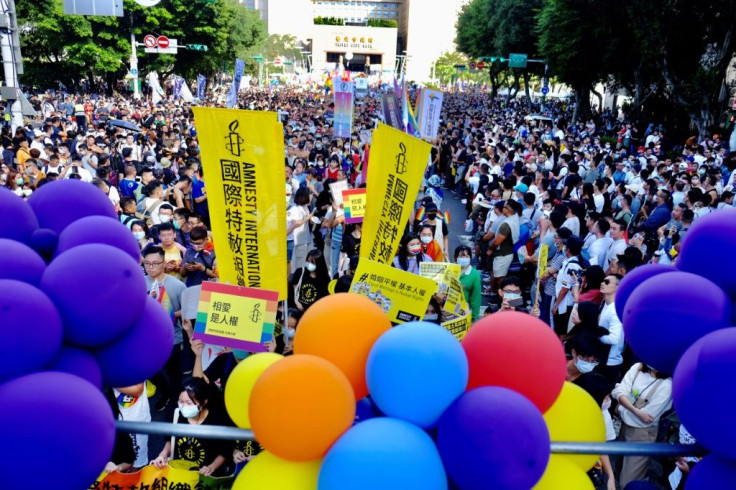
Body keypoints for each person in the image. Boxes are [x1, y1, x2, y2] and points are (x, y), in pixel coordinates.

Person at [152, 378, 233, 476]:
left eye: (189, 403)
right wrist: (162, 455)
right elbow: (170, 440)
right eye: (181, 401)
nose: (184, 406)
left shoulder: (217, 421)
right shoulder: (175, 415)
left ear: (204, 402)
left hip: (205, 475)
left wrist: (211, 467)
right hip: (180, 471)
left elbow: (225, 451)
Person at [612, 363, 673, 487]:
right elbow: (618, 390)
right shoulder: (637, 367)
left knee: (628, 481)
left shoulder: (667, 385)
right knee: (618, 468)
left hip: (642, 434)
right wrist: (636, 411)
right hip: (624, 427)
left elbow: (647, 418)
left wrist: (622, 407)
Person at [143, 246, 187, 412]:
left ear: (163, 263)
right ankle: (166, 392)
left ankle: (176, 402)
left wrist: (169, 314)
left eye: (155, 263)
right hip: (146, 338)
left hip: (172, 337)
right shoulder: (139, 282)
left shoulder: (177, 286)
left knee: (174, 372)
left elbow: (188, 311)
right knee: (149, 370)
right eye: (147, 263)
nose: (150, 267)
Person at [552, 235, 585, 336]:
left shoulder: (572, 265)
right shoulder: (570, 262)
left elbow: (565, 289)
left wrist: (556, 305)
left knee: (561, 332)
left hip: (564, 304)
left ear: (568, 249)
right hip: (563, 301)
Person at [112, 383, 150, 468]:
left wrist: (110, 380)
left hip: (134, 420)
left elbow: (138, 390)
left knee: (135, 464)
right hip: (116, 420)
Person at [597, 274, 625, 384]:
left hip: (609, 363)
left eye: (607, 282)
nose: (602, 283)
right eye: (603, 281)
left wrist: (596, 336)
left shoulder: (614, 311)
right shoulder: (605, 304)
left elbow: (614, 339)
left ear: (617, 287)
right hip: (602, 358)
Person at [287, 187, 314, 273]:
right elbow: (296, 223)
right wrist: (307, 218)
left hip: (307, 238)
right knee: (300, 264)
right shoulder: (295, 209)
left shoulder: (306, 206)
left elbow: (308, 221)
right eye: (309, 195)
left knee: (309, 261)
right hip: (300, 240)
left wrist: (311, 219)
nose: (310, 197)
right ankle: (298, 282)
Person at [455, 245, 481, 321]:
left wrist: (474, 317)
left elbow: (476, 298)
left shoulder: (475, 274)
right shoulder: (449, 270)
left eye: (466, 256)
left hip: (463, 311)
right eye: (461, 256)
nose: (464, 259)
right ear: (455, 257)